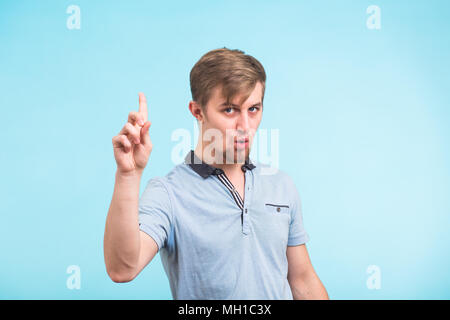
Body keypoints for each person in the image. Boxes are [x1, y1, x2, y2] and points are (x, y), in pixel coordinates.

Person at [103, 48, 329, 300]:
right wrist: (128, 175)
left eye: (253, 109)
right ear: (197, 111)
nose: (245, 126)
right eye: (230, 110)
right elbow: (122, 269)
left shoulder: (281, 184)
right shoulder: (168, 193)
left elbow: (302, 279)